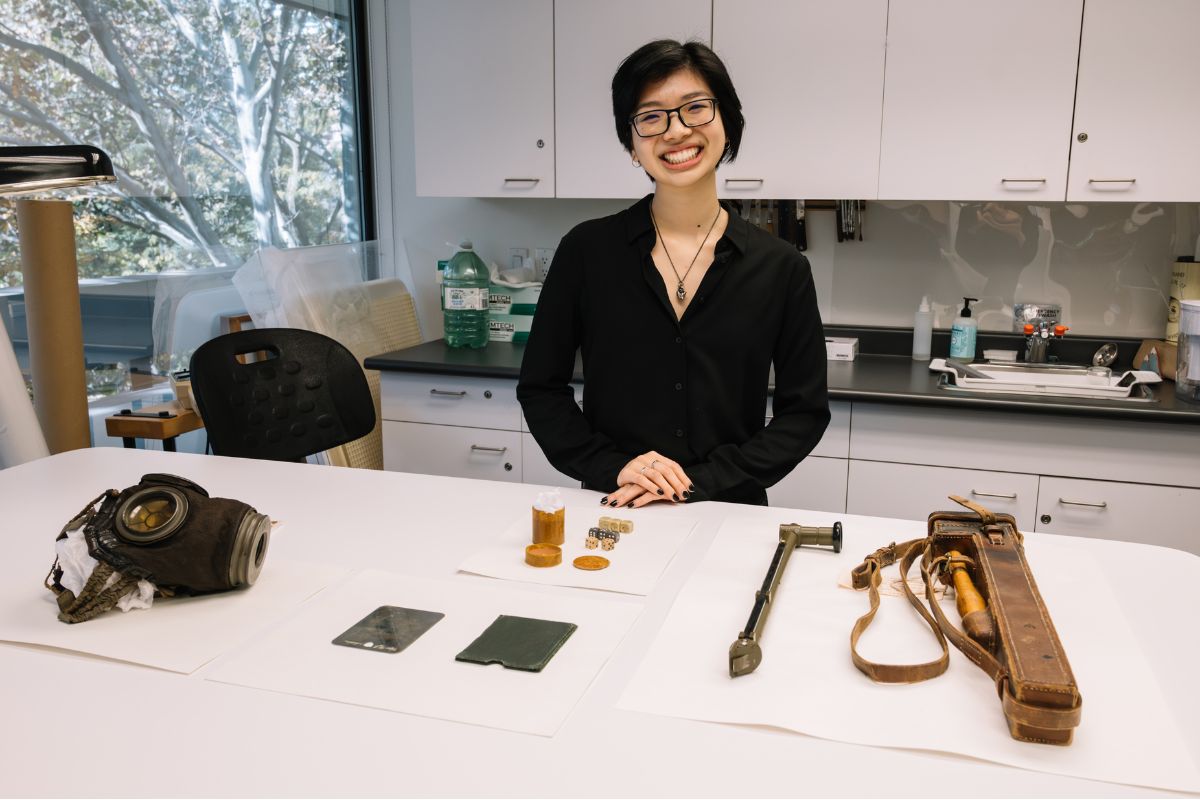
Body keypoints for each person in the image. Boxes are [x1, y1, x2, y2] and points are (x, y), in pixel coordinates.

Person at [517, 39, 829, 508]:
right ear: (632, 144)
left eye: (695, 108)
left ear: (727, 122)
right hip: (617, 505)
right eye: (651, 116)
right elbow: (541, 389)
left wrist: (702, 481)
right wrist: (612, 465)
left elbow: (802, 414)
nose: (677, 131)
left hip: (729, 510)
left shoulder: (782, 267)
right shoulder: (587, 251)